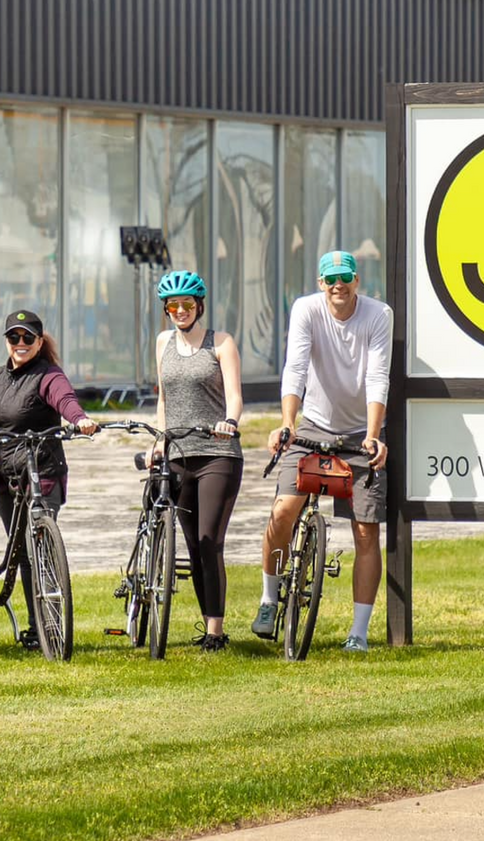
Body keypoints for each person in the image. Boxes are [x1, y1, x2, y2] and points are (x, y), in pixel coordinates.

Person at [253, 250, 392, 653]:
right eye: (330, 279)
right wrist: (287, 423)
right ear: (320, 283)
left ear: (357, 281)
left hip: (358, 432)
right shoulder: (306, 310)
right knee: (283, 510)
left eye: (345, 277)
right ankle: (268, 597)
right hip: (312, 424)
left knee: (366, 529)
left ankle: (359, 633)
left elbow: (377, 376)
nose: (338, 285)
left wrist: (373, 434)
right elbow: (295, 367)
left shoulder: (377, 315)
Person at [0, 309, 101, 649]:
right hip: (4, 475)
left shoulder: (48, 375)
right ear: (7, 342)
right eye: (14, 337)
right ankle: (34, 625)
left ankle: (49, 626)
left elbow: (66, 400)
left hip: (42, 472)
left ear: (40, 342)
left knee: (38, 545)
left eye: (28, 337)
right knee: (21, 553)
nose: (21, 343)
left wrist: (80, 419)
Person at [152, 270, 244, 651]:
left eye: (186, 304)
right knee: (189, 543)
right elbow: (163, 400)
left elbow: (236, 397)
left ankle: (215, 631)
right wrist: (159, 441)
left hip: (217, 453)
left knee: (209, 539)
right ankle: (208, 623)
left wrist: (230, 422)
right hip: (177, 453)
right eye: (172, 305)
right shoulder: (162, 343)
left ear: (199, 306)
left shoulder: (221, 343)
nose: (179, 311)